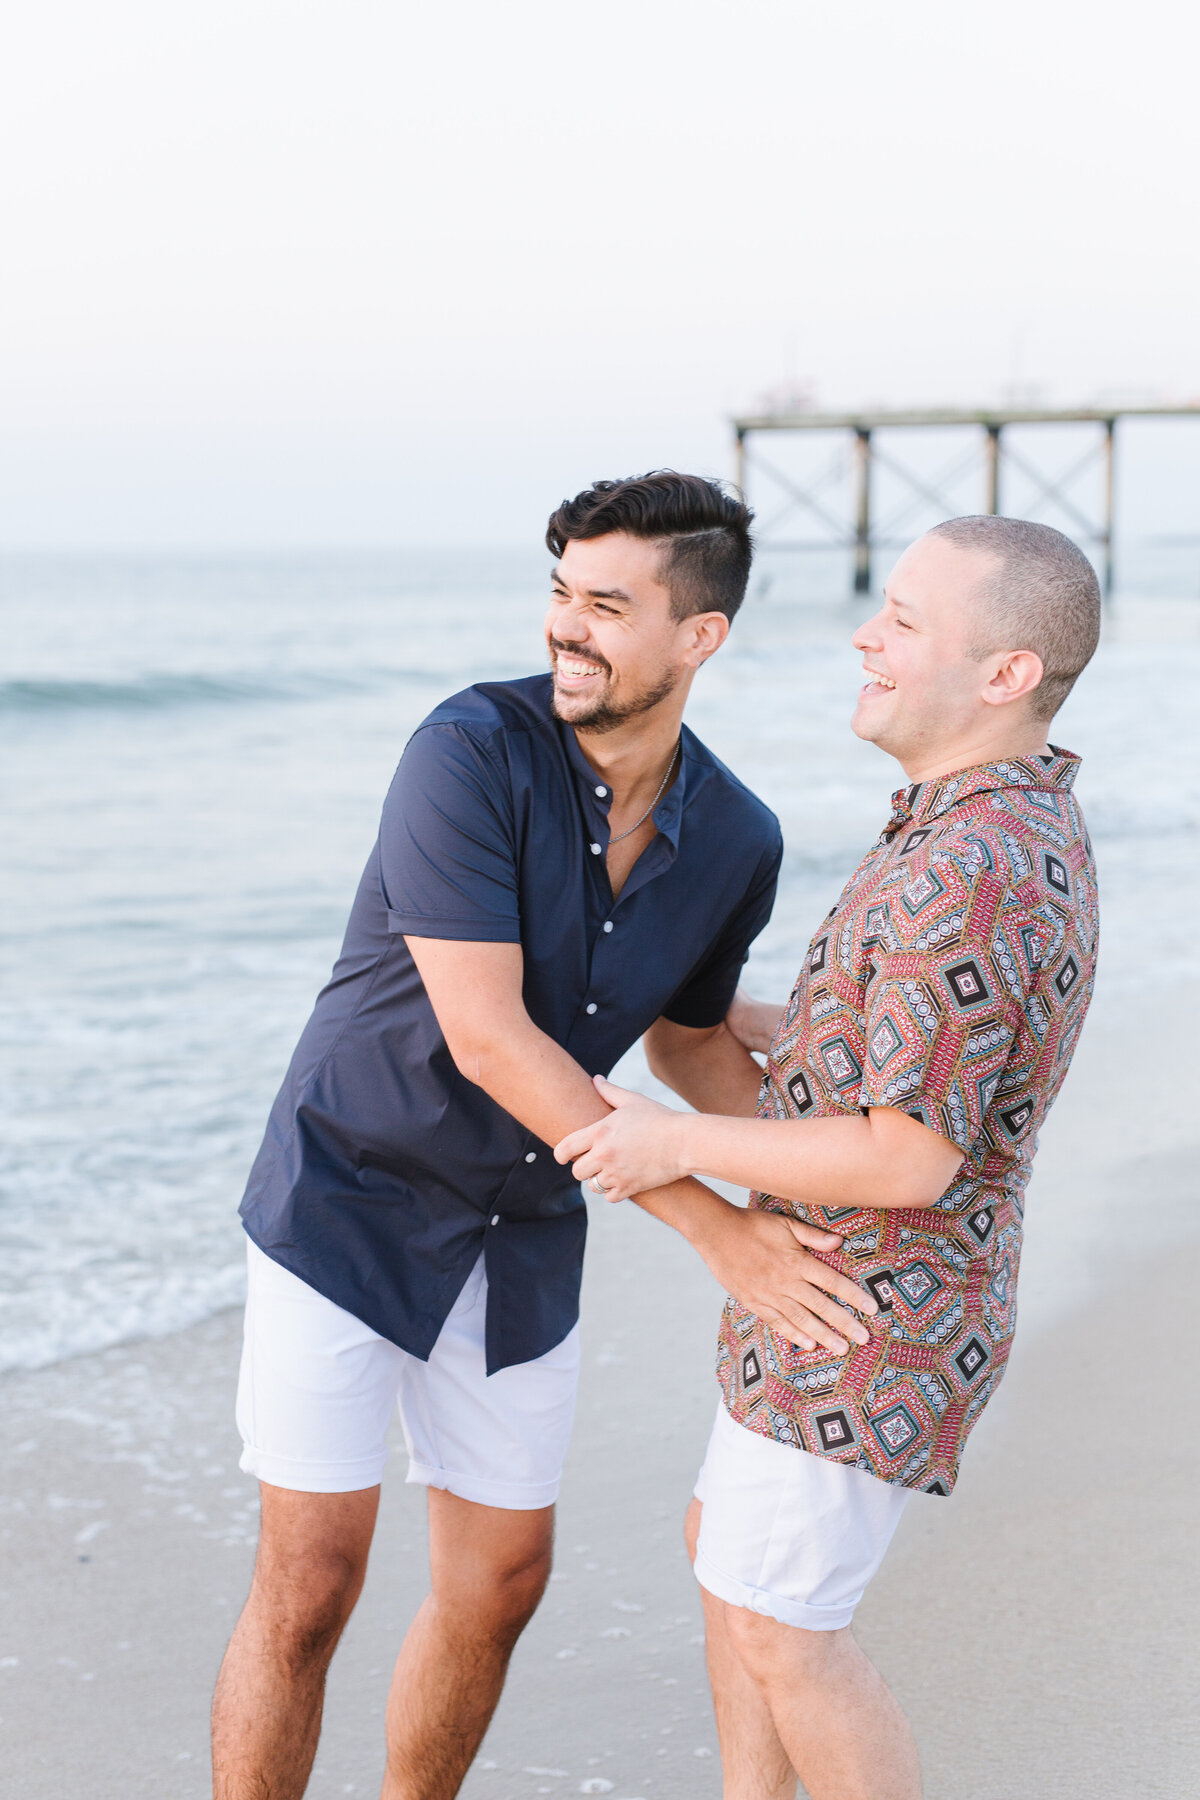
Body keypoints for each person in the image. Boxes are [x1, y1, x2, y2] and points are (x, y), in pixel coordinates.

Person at [211, 471, 881, 1800]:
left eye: (609, 606)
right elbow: (490, 1034)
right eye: (562, 595)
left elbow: (687, 1042)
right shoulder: (465, 752)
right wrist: (723, 1235)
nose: (568, 630)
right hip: (351, 1194)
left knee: (506, 1580)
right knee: (309, 1582)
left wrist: (822, 1188)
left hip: (519, 1230)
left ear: (701, 637)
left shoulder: (738, 836)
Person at [557, 515, 1102, 1800]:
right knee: (735, 1569)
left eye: (906, 619)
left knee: (787, 1632)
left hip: (870, 1304)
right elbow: (936, 1059)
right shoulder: (988, 826)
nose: (868, 632)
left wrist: (668, 1139)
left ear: (1007, 674)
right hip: (854, 1293)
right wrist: (804, 1032)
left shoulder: (964, 865)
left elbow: (911, 1158)